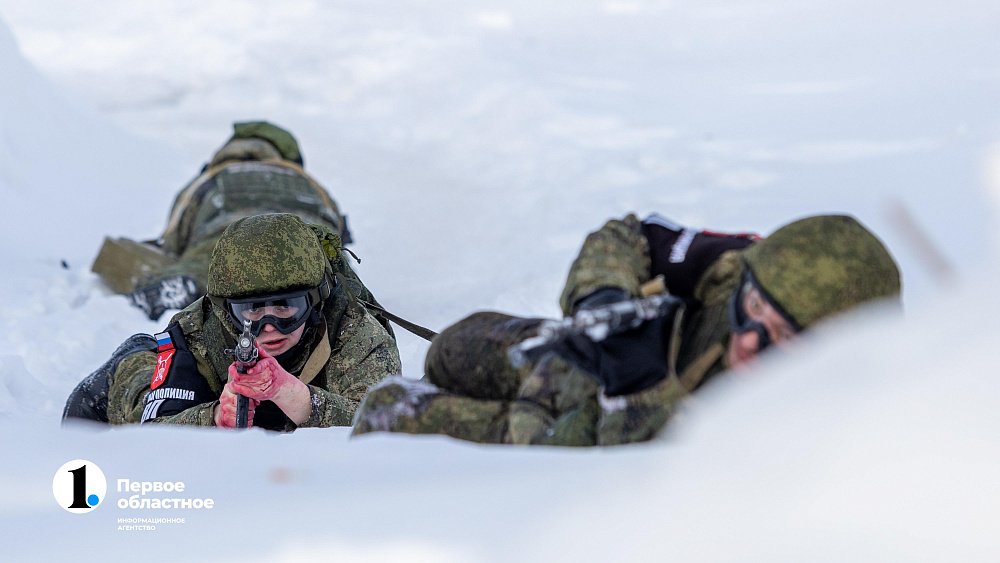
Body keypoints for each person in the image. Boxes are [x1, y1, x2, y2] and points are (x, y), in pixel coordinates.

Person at [351, 213, 901, 446]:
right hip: (583, 361)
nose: (749, 341)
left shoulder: (825, 427)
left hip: (586, 440)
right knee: (453, 347)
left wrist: (638, 392)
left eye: (785, 338)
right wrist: (603, 298)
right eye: (753, 308)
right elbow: (632, 234)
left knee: (388, 415)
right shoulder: (737, 268)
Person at [64, 213, 401, 430]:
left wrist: (295, 397)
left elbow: (388, 422)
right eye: (251, 312)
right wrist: (212, 417)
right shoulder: (196, 331)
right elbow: (145, 422)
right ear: (226, 311)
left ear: (315, 302)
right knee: (92, 401)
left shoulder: (355, 330)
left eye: (286, 308)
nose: (270, 327)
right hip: (202, 385)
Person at [92, 120, 354, 321]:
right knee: (322, 278)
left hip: (223, 243)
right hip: (303, 247)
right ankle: (329, 297)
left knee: (135, 258)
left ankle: (187, 284)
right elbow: (338, 234)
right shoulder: (311, 185)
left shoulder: (208, 180)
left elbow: (174, 237)